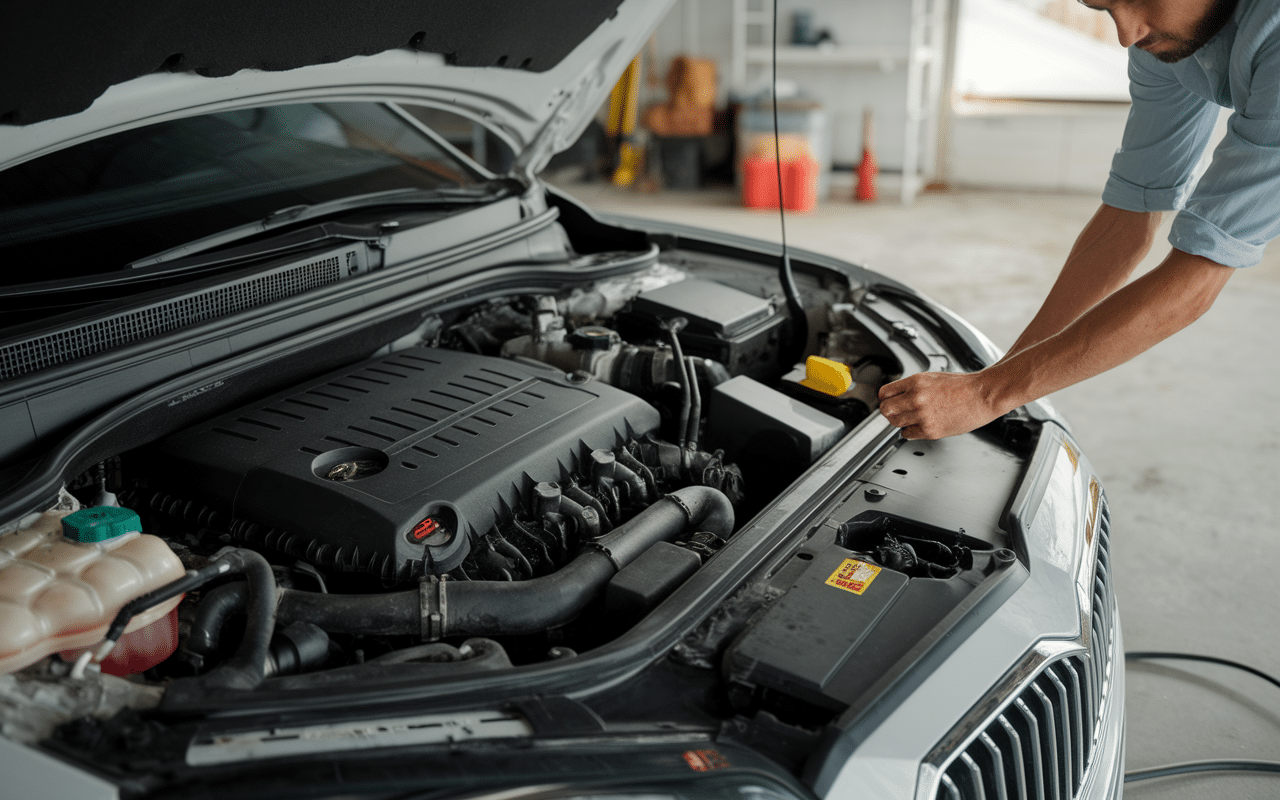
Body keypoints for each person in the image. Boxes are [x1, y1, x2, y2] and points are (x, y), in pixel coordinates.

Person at [878, 0, 1275, 440]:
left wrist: (988, 395)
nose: (1126, 33)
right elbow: (1131, 210)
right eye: (1104, 8)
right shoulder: (1162, 38)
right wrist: (998, 382)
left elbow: (1196, 279)